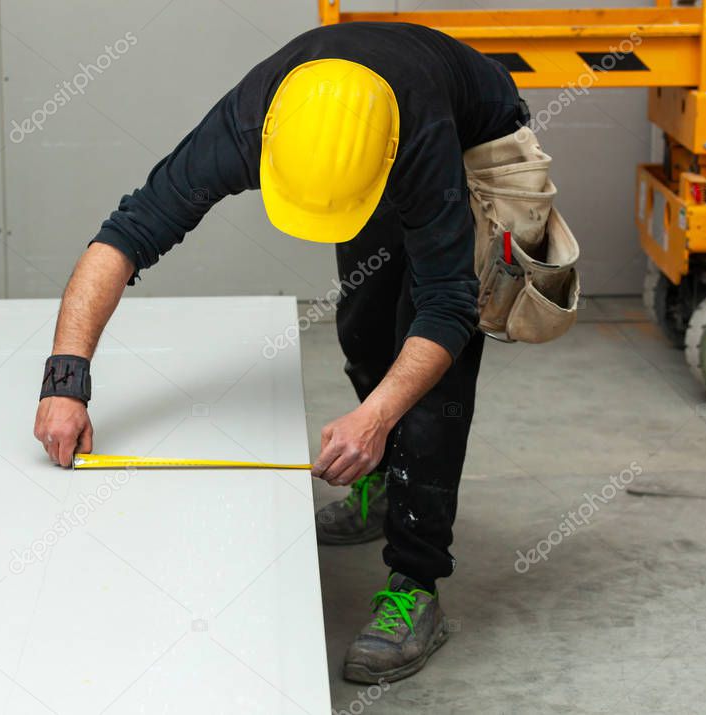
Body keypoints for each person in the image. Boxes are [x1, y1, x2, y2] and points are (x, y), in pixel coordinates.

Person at [34, 21, 530, 683]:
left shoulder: (419, 138)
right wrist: (65, 380)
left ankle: (415, 582)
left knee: (430, 392)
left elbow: (448, 304)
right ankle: (382, 479)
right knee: (364, 324)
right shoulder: (246, 120)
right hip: (375, 136)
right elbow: (122, 239)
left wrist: (378, 417)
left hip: (470, 139)